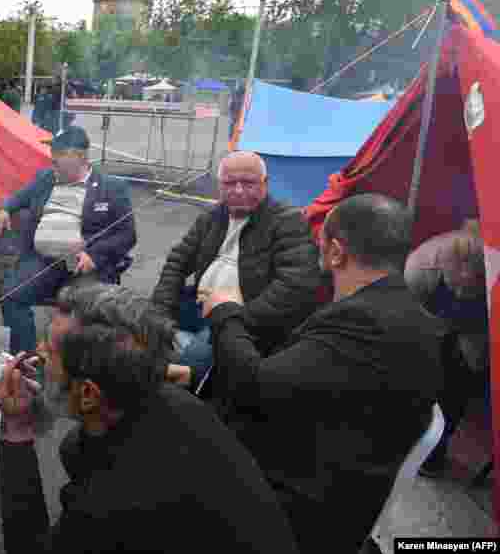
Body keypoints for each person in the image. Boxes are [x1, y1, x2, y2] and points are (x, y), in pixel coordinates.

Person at [200, 193, 443, 554]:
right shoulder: (407, 315)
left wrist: (227, 312)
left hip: (301, 505)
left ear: (336, 252)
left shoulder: (364, 319)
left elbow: (254, 387)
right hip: (338, 467)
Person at [0, 282, 299, 554]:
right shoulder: (174, 400)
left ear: (88, 393)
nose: (38, 354)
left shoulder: (111, 505)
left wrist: (17, 430)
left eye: (49, 349)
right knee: (74, 445)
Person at [152, 151, 323, 388]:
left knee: (191, 368)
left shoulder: (288, 221)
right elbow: (178, 261)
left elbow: (296, 286)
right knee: (134, 326)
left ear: (265, 184)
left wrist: (234, 318)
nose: (239, 190)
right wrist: (160, 310)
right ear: (220, 186)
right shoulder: (213, 217)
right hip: (200, 304)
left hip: (243, 318)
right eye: (230, 183)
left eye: (248, 183)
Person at [0, 126, 135, 355]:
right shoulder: (46, 178)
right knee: (11, 296)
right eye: (53, 154)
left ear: (80, 156)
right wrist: (3, 208)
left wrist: (95, 255)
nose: (52, 160)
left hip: (84, 267)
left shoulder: (112, 187)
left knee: (83, 310)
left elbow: (126, 234)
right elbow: (19, 197)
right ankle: (26, 359)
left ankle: (73, 369)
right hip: (44, 261)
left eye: (59, 155)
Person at [406, 219, 489, 477]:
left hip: (477, 322)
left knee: (456, 387)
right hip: (434, 312)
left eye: (472, 278)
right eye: (459, 281)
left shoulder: (486, 263)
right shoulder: (420, 268)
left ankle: (430, 455)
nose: (464, 284)